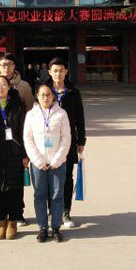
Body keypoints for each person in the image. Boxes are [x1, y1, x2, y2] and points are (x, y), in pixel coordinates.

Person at [0, 52, 34, 225]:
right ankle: (1, 216)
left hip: (17, 139)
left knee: (15, 179)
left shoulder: (24, 86)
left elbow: (29, 111)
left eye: (9, 64)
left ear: (14, 66)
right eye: (2, 64)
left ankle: (17, 213)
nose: (6, 67)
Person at [24, 84, 71, 243]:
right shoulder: (31, 115)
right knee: (40, 195)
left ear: (53, 96)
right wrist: (38, 160)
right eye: (42, 95)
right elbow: (28, 139)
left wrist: (57, 160)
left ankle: (56, 227)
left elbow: (66, 138)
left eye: (48, 94)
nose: (45, 97)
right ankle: (42, 227)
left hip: (57, 162)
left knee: (57, 195)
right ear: (37, 96)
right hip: (38, 164)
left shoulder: (61, 114)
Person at [45, 57, 87, 229]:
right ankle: (51, 211)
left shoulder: (73, 92)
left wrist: (81, 139)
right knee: (50, 176)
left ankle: (65, 211)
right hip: (49, 141)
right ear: (49, 72)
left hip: (68, 140)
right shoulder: (44, 91)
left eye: (61, 70)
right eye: (55, 70)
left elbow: (80, 118)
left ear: (66, 72)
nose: (58, 73)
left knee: (67, 177)